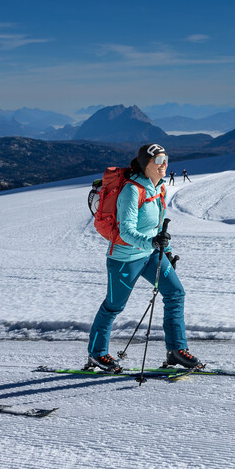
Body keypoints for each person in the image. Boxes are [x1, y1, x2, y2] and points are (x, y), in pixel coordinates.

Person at [87, 144, 202, 372]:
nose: (164, 166)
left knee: (175, 293)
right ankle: (97, 353)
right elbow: (125, 231)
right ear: (145, 165)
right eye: (158, 162)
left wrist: (165, 251)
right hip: (125, 258)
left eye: (166, 160)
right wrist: (152, 244)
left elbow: (160, 226)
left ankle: (176, 351)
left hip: (151, 254)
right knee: (113, 306)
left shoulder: (159, 188)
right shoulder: (132, 190)